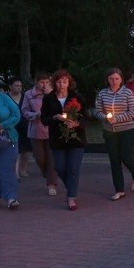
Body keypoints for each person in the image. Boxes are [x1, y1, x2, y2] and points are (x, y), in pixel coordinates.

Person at [40, 70, 87, 211]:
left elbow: (85, 117)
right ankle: (71, 186)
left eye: (64, 81)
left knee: (73, 168)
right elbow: (44, 119)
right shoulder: (48, 99)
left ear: (69, 82)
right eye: (59, 81)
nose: (61, 84)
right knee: (60, 167)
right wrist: (54, 117)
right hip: (57, 138)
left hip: (76, 139)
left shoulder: (77, 97)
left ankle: (71, 197)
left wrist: (76, 123)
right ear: (54, 82)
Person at [95, 67, 134, 201]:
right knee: (114, 160)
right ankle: (119, 189)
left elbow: (133, 112)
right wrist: (105, 118)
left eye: (116, 78)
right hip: (109, 131)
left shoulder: (127, 93)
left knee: (126, 157)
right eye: (111, 79)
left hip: (126, 130)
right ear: (107, 80)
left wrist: (117, 118)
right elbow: (97, 111)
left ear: (121, 79)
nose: (114, 81)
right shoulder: (103, 93)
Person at [21, 72, 58, 196]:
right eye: (42, 82)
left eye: (47, 82)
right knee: (39, 158)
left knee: (51, 158)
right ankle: (47, 174)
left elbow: (59, 108)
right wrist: (34, 115)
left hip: (51, 130)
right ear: (36, 82)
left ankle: (51, 184)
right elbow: (24, 111)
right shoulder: (28, 95)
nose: (44, 85)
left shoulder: (54, 93)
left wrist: (50, 95)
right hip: (35, 130)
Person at [0, 75, 21, 210]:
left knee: (6, 169)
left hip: (7, 140)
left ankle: (11, 198)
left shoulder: (3, 98)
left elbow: (16, 115)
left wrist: (1, 126)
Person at [7, 78, 31, 179]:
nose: (19, 88)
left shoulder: (25, 97)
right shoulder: (6, 97)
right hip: (12, 127)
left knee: (26, 151)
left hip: (25, 126)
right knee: (16, 151)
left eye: (20, 86)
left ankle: (24, 169)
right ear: (10, 86)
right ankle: (15, 173)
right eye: (16, 85)